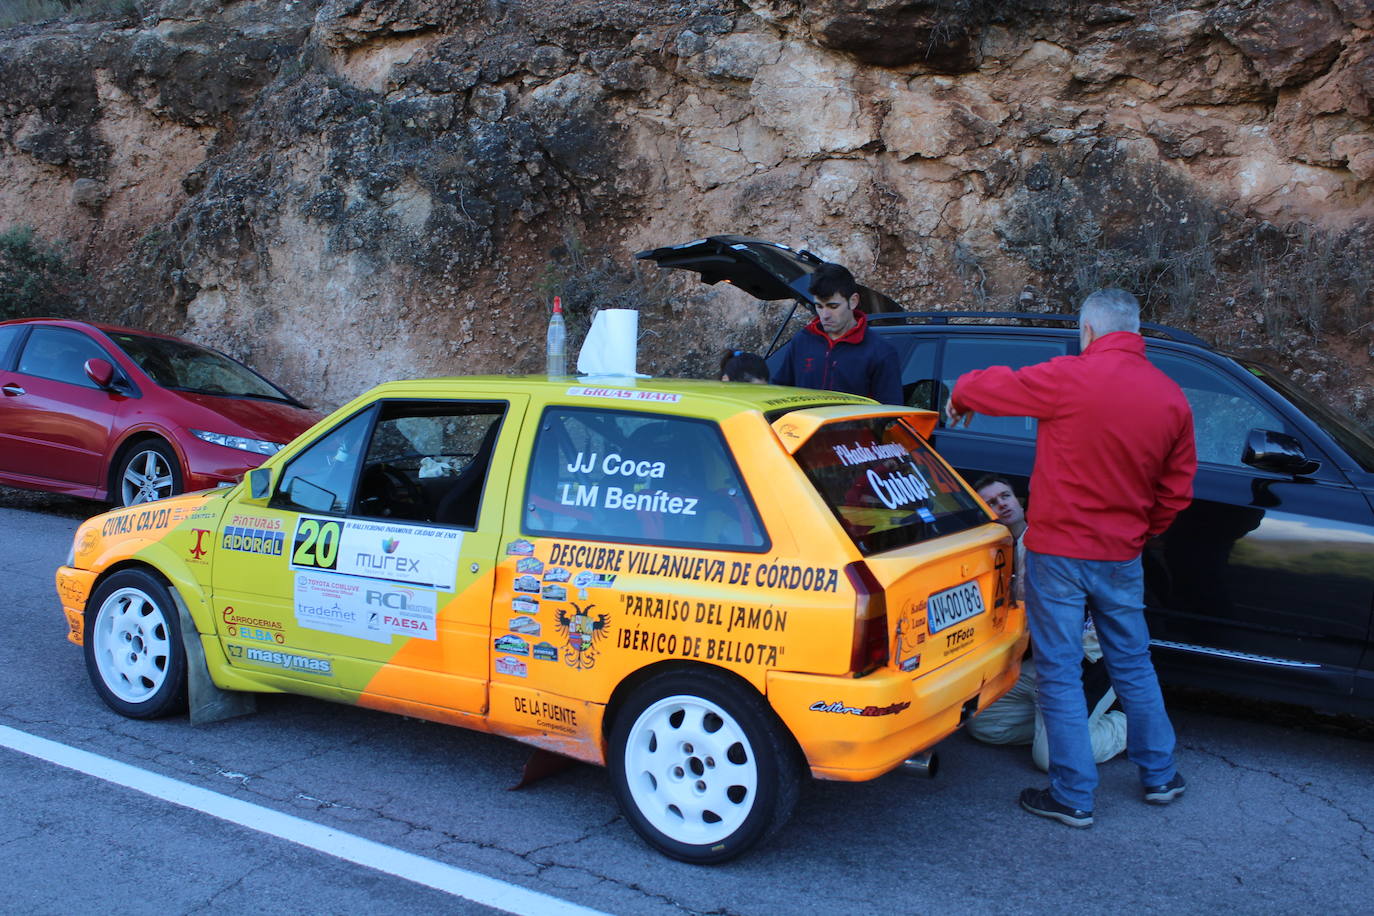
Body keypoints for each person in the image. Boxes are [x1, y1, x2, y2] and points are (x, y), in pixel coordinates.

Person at [946, 288, 1196, 829]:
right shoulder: (1172, 397)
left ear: (1087, 331)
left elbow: (986, 385)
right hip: (1121, 555)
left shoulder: (1068, 377)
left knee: (1058, 671)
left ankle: (1073, 796)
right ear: (1135, 331)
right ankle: (1160, 776)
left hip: (1058, 553)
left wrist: (961, 396)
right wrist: (1136, 533)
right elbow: (1176, 493)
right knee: (1133, 662)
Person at [965, 476, 1127, 774]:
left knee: (1050, 760)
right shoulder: (998, 551)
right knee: (984, 725)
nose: (1001, 504)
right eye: (991, 502)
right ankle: (1058, 731)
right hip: (1039, 666)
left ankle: (1127, 725)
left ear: (1018, 500)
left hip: (1085, 664)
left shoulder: (1040, 545)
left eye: (1005, 496)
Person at [771, 262, 902, 404]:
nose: (825, 315)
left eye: (833, 306)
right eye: (819, 306)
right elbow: (780, 394)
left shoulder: (880, 351)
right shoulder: (801, 341)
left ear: (853, 301)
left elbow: (889, 413)